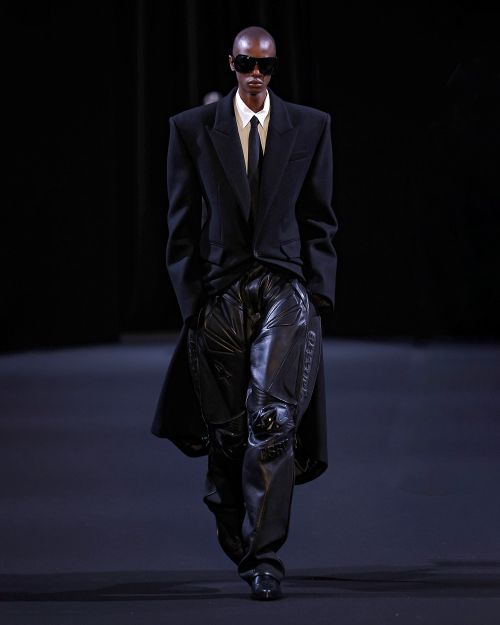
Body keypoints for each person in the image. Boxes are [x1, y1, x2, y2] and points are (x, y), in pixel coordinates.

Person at [152, 25, 338, 601]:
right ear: (230, 65)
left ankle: (266, 558)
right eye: (246, 64)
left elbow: (320, 216)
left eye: (266, 66)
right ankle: (234, 523)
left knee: (273, 421)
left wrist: (318, 294)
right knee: (229, 432)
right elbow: (180, 222)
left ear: (275, 68)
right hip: (221, 290)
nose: (256, 74)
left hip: (283, 286)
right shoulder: (191, 129)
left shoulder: (310, 126)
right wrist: (192, 301)